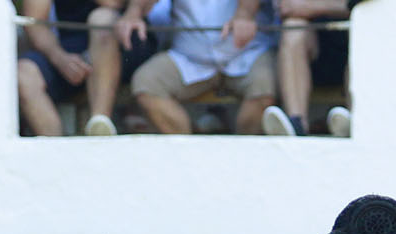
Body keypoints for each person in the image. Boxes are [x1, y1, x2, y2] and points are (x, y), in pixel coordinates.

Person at [118, 0, 279, 134]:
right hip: (188, 57)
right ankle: (189, 152)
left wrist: (245, 14)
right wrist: (134, 13)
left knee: (265, 86)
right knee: (147, 82)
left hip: (248, 53)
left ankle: (244, 155)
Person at [18, 0, 156, 136]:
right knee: (24, 74)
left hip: (125, 39)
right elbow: (35, 23)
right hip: (69, 47)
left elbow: (113, 3)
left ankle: (100, 125)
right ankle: (56, 150)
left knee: (101, 20)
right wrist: (60, 58)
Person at [261, 0, 354, 137]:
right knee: (293, 26)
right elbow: (288, 7)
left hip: (353, 46)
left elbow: (369, 7)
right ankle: (296, 124)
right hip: (314, 52)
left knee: (364, 26)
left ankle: (355, 120)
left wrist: (312, 6)